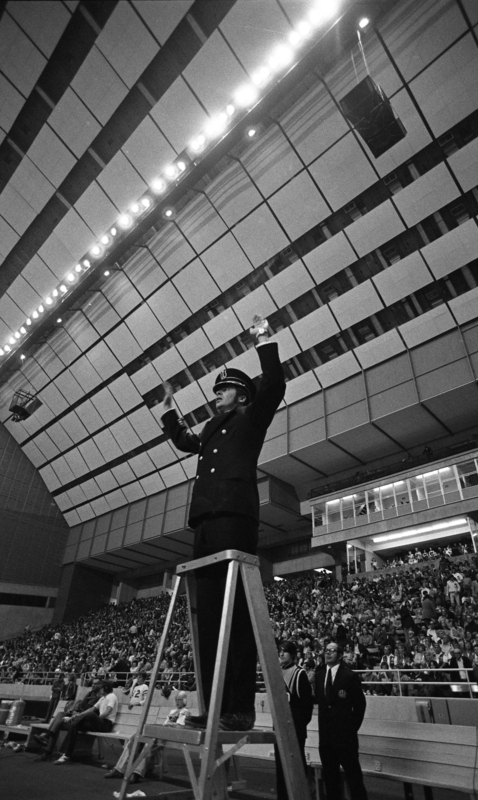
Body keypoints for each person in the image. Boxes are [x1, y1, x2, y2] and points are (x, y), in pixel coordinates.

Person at [160, 316, 285, 733]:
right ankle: (213, 706)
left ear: (242, 394)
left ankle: (239, 707)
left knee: (238, 616)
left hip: (234, 518)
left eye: (224, 389)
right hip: (205, 524)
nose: (217, 395)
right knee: (210, 619)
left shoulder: (251, 418)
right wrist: (169, 412)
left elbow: (275, 384)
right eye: (217, 390)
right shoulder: (213, 427)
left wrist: (263, 339)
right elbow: (186, 442)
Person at [315, 643, 368, 800]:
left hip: (345, 738)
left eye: (332, 651)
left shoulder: (349, 676)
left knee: (354, 778)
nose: (328, 653)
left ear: (340, 655)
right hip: (326, 738)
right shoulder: (319, 676)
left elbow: (360, 705)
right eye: (326, 650)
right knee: (330, 780)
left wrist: (351, 728)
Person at [104, 690, 191, 782]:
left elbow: (179, 726)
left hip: (170, 736)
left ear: (184, 700)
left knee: (148, 743)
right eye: (176, 699)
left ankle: (136, 773)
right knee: (136, 737)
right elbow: (165, 724)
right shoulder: (172, 711)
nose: (177, 701)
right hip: (162, 732)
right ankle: (119, 769)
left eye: (179, 699)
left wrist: (166, 727)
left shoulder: (185, 712)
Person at [275, 641, 313, 800]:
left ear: (292, 654)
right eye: (279, 650)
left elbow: (307, 706)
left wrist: (298, 726)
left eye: (284, 651)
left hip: (295, 729)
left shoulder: (299, 674)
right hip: (279, 727)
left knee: (296, 766)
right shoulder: (276, 672)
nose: (281, 653)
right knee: (280, 767)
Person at [33, 679, 104, 761]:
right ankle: (47, 738)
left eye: (96, 684)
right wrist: (75, 710)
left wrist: (78, 713)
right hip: (78, 715)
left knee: (58, 723)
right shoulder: (89, 693)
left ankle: (47, 747)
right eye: (93, 683)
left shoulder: (101, 697)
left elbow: (92, 712)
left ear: (100, 686)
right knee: (60, 715)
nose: (93, 685)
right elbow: (82, 705)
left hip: (84, 721)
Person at [54, 681, 118, 764]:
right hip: (98, 723)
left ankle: (71, 719)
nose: (99, 689)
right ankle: (67, 755)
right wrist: (78, 715)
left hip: (106, 724)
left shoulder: (112, 696)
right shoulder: (102, 698)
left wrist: (95, 718)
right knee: (75, 726)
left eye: (101, 688)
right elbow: (91, 709)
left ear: (105, 688)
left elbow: (108, 712)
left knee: (91, 715)